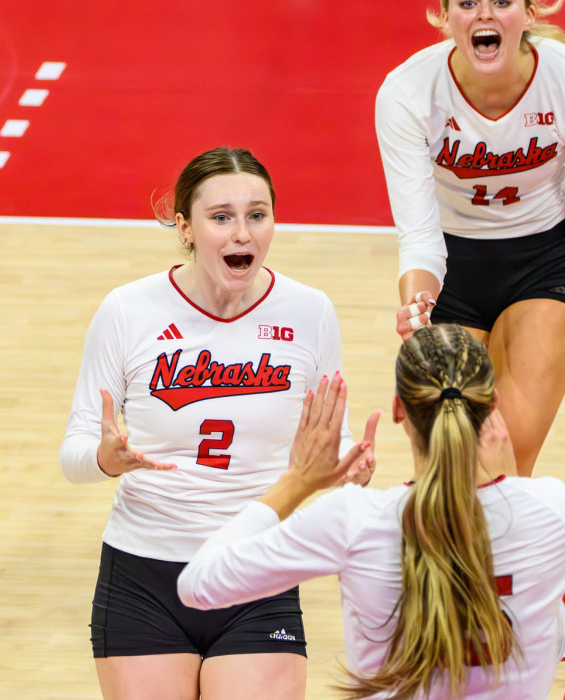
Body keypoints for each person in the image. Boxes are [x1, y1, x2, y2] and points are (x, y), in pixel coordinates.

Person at [61, 147, 377, 700]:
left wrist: (346, 468)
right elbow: (76, 451)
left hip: (257, 572)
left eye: (257, 215)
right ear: (184, 226)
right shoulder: (127, 310)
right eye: (221, 217)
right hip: (144, 577)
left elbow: (334, 438)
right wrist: (104, 460)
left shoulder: (310, 312)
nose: (242, 234)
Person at [179, 324, 565, 699]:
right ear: (492, 405)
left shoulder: (351, 520)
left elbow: (198, 584)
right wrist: (512, 489)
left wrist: (297, 481)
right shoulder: (555, 509)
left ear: (400, 410)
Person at [375, 0, 565, 475]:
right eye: (468, 2)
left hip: (545, 264)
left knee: (503, 466)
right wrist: (418, 319)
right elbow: (418, 232)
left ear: (528, 12)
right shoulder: (406, 93)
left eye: (501, 1)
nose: (484, 14)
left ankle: (510, 559)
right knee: (448, 466)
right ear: (446, 17)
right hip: (451, 269)